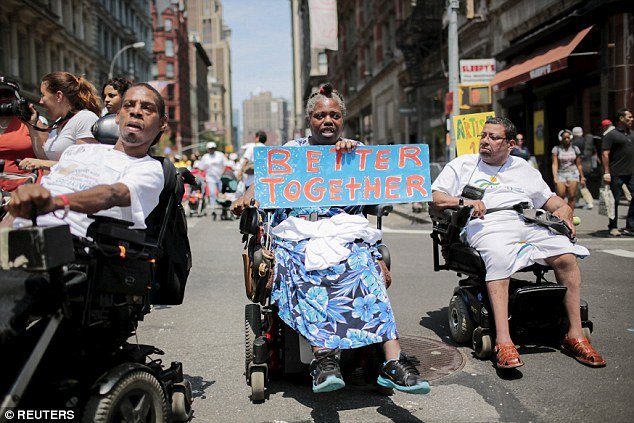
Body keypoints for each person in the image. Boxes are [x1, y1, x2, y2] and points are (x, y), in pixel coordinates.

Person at [232, 84, 430, 395]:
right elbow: (265, 183)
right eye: (320, 115)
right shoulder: (292, 151)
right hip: (299, 234)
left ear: (343, 119)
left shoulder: (354, 152)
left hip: (344, 232)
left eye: (334, 115)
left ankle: (392, 362)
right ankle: (323, 359)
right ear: (309, 119)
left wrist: (356, 159)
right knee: (304, 266)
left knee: (366, 269)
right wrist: (245, 196)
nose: (328, 120)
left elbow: (382, 184)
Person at [431, 116, 605, 369]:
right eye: (483, 135)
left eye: (493, 137)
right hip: (487, 222)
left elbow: (549, 200)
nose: (485, 141)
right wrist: (463, 203)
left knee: (567, 256)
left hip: (527, 220)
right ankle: (504, 341)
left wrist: (564, 209)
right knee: (500, 259)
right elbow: (436, 197)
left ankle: (575, 335)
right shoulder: (463, 164)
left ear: (510, 144)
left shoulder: (523, 168)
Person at [6, 83, 167, 238]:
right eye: (129, 105)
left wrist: (55, 203)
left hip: (71, 248)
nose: (136, 112)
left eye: (146, 108)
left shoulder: (149, 168)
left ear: (162, 123)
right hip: (17, 232)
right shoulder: (76, 151)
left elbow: (113, 194)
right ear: (117, 116)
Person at [20, 72, 101, 172]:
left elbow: (83, 163)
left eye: (43, 95)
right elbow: (45, 158)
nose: (40, 101)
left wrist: (40, 163)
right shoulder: (59, 122)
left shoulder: (85, 119)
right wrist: (31, 124)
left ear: (58, 96)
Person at [0, 76, 36, 192]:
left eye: (7, 94)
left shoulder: (29, 121)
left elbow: (46, 153)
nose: (2, 99)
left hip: (23, 190)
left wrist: (32, 123)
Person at [601, 108, 633, 237]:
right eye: (629, 117)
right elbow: (605, 154)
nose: (632, 119)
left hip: (631, 172)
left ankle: (630, 226)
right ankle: (613, 226)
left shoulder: (632, 134)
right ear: (621, 119)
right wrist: (607, 172)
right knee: (614, 201)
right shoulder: (611, 135)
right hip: (616, 173)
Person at [552, 129, 585, 211]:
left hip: (573, 173)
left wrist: (582, 177)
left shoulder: (575, 148)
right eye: (564, 138)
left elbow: (579, 164)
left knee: (571, 196)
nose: (566, 139)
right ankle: (562, 215)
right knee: (561, 196)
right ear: (561, 139)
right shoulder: (556, 149)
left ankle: (570, 215)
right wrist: (555, 176)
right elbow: (555, 164)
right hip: (561, 173)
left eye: (568, 138)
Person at [199, 141, 227, 214]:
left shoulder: (220, 155)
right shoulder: (205, 157)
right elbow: (201, 168)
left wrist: (222, 174)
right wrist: (202, 177)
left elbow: (225, 164)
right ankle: (213, 207)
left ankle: (223, 207)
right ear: (207, 149)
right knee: (212, 193)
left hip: (220, 177)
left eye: (213, 148)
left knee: (221, 192)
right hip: (210, 178)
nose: (211, 150)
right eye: (210, 148)